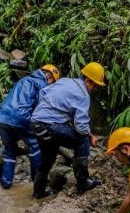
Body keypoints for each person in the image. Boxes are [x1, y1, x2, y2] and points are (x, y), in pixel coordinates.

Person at [30, 61, 106, 198]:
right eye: (95, 85)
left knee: (49, 156)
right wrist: (88, 137)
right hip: (49, 125)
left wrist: (55, 112)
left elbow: (43, 92)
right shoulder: (83, 95)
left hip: (36, 122)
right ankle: (83, 182)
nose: (94, 88)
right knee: (81, 140)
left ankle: (38, 192)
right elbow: (81, 128)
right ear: (88, 80)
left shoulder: (65, 81)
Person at [0, 64, 61, 189]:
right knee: (35, 144)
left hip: (2, 118)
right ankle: (37, 181)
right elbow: (42, 108)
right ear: (49, 76)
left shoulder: (23, 80)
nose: (52, 85)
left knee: (9, 150)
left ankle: (6, 182)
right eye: (53, 82)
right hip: (21, 118)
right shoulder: (42, 84)